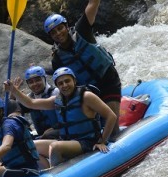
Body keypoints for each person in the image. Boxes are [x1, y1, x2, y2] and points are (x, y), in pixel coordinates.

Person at [6, 67, 116, 168]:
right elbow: (31, 103)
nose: (64, 85)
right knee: (31, 146)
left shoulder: (86, 96)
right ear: (57, 86)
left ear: (74, 81)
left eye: (67, 81)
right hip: (68, 141)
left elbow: (111, 116)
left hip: (87, 141)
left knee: (55, 147)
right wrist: (13, 90)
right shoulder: (57, 101)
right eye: (60, 83)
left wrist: (102, 140)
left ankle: (55, 175)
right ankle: (45, 170)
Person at [43, 0, 121, 136]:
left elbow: (93, 4)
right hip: (89, 92)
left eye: (60, 28)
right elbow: (66, 86)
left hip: (108, 81)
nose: (58, 33)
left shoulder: (82, 30)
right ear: (51, 36)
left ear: (67, 27)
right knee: (92, 129)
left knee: (112, 128)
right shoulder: (58, 59)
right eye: (53, 32)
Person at [18, 65, 60, 139]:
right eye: (31, 82)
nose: (35, 84)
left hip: (59, 132)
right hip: (41, 135)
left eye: (38, 80)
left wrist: (53, 128)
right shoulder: (28, 97)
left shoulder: (55, 92)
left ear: (44, 79)